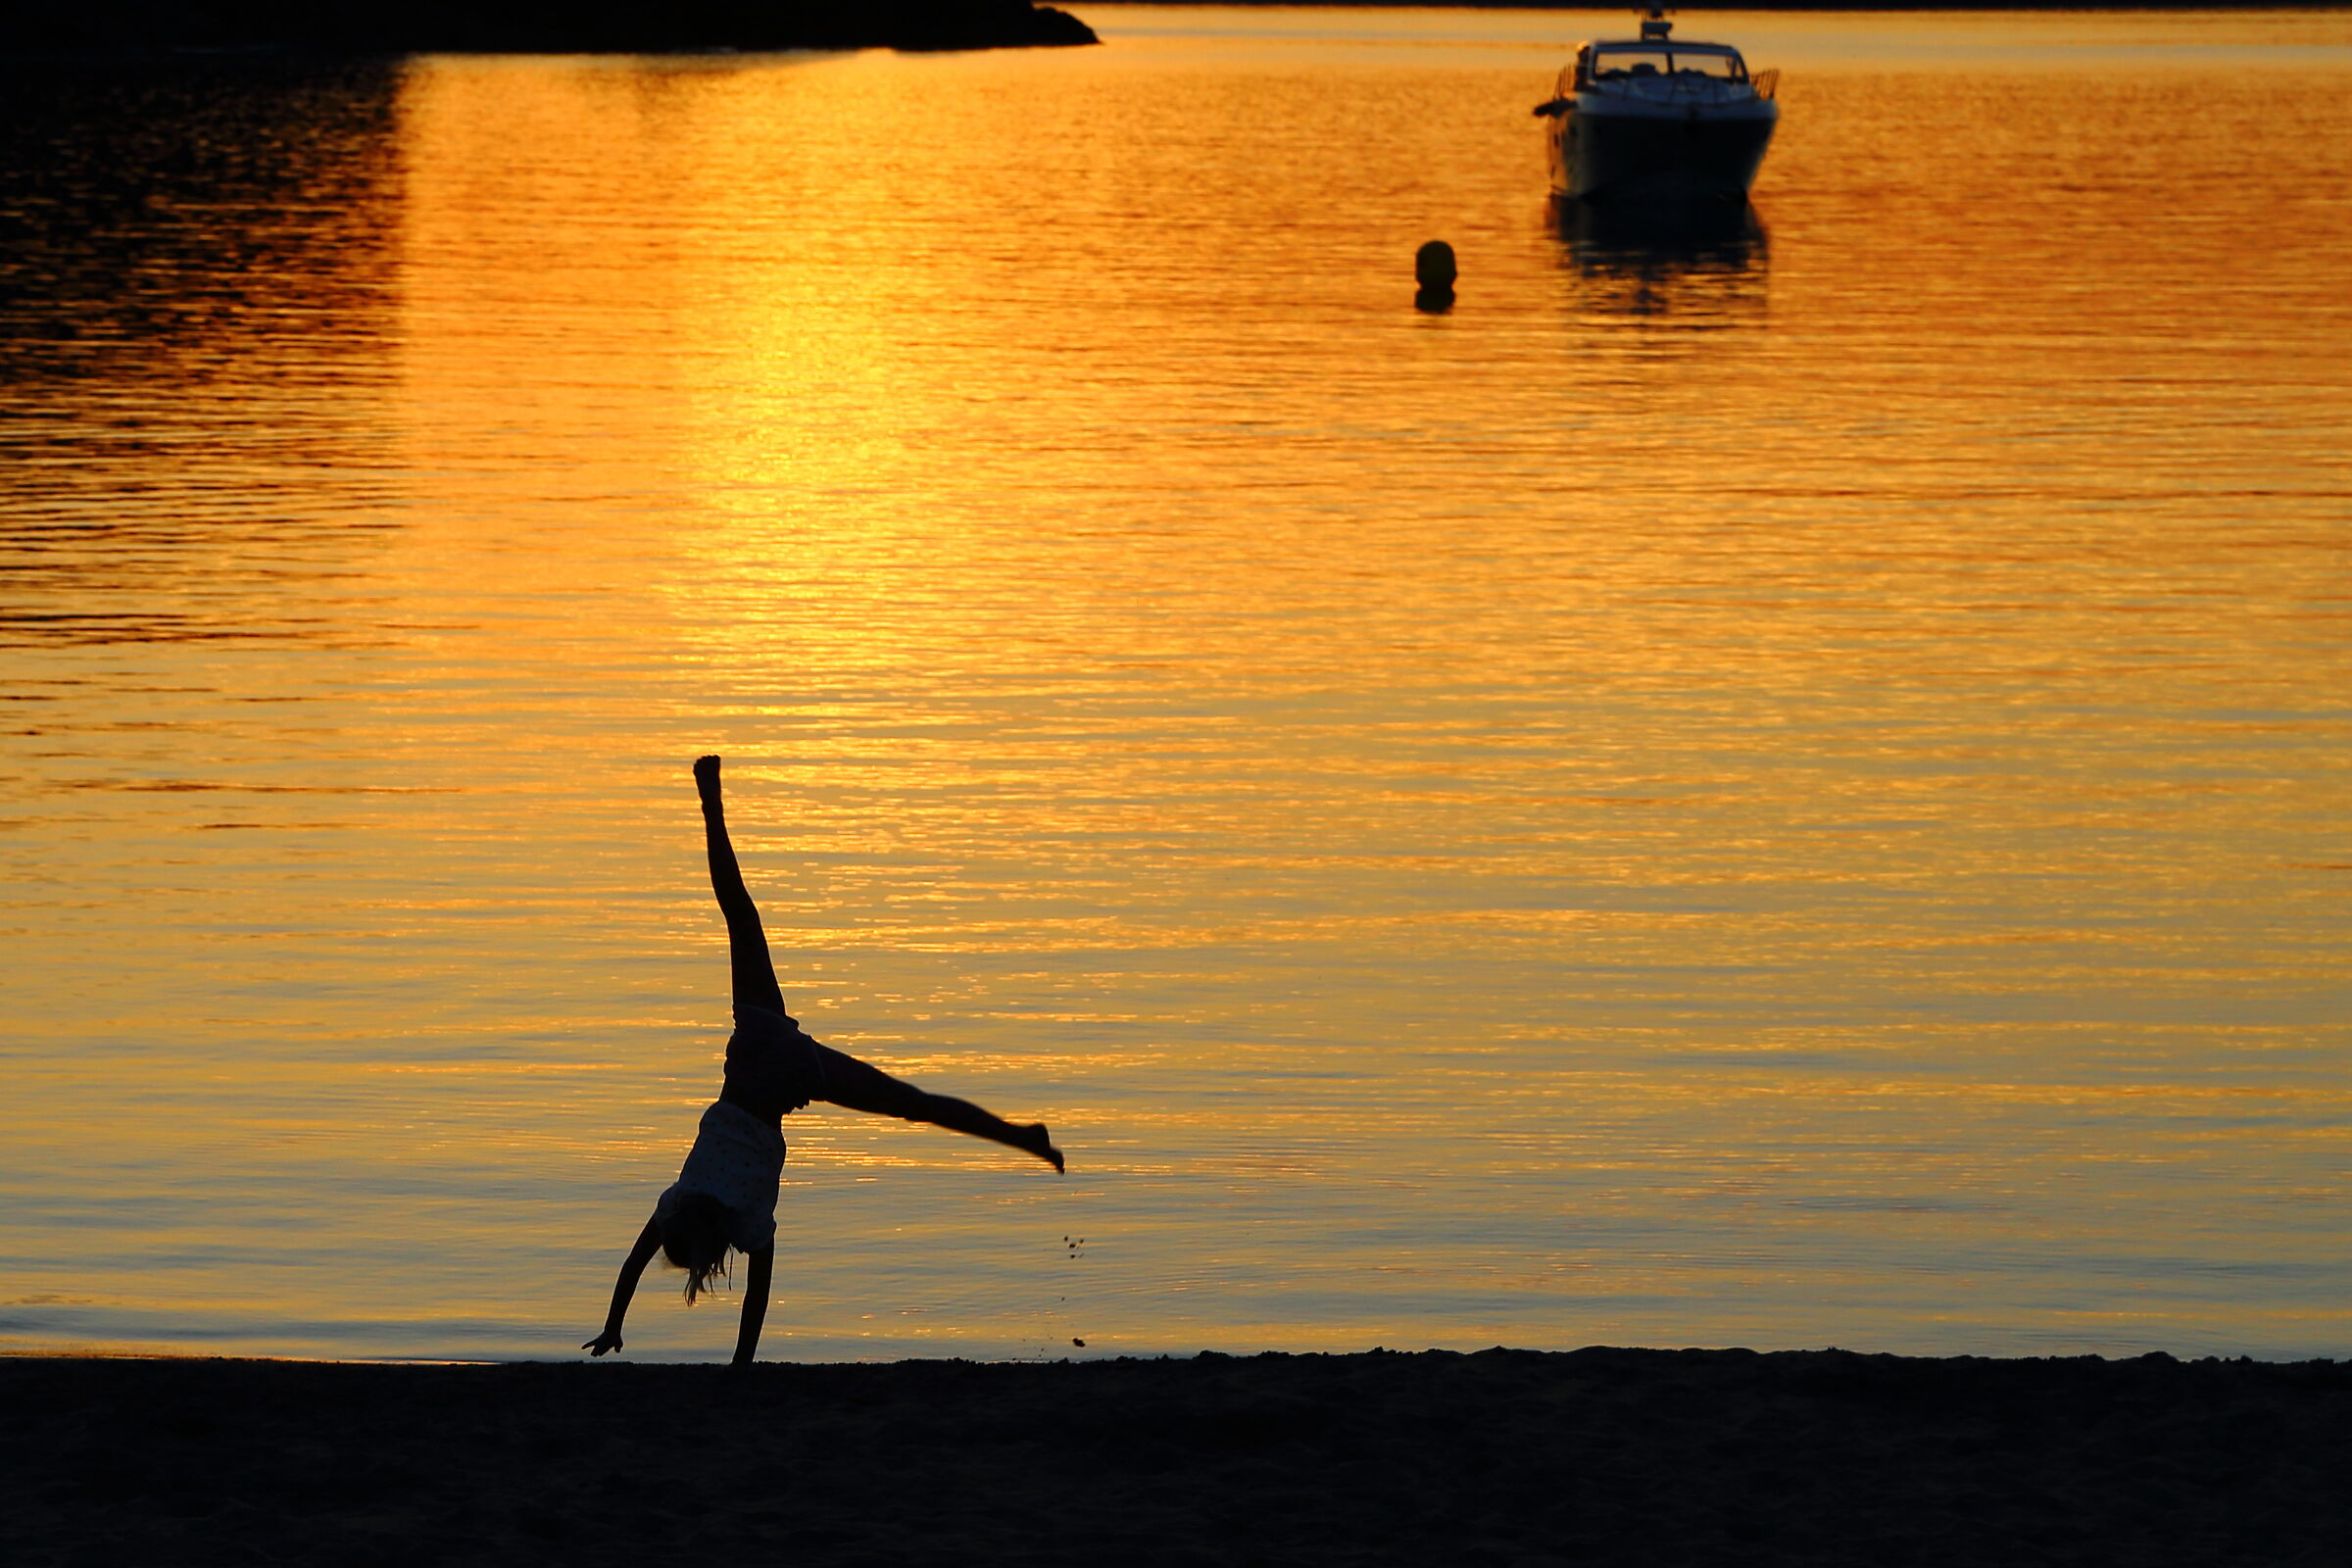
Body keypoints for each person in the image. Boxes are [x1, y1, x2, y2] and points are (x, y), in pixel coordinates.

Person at [584, 755, 1063, 1365]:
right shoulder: (679, 1198)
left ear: (709, 1250)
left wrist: (730, 1363)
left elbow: (756, 1293)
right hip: (750, 1051)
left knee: (910, 1106)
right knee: (740, 915)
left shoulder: (744, 1219)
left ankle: (1023, 1138)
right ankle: (710, 800)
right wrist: (614, 1319)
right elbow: (634, 1262)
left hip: (786, 1071)